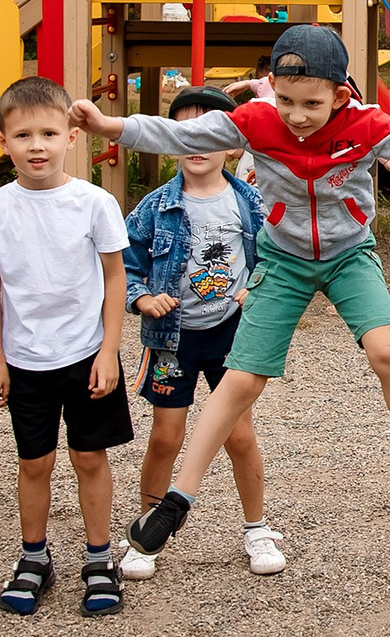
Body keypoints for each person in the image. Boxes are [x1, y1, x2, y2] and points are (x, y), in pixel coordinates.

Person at [76, 25, 390, 563]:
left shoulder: (366, 125)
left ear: (340, 95)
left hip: (348, 254)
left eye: (312, 104)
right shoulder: (257, 120)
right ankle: (178, 499)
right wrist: (111, 124)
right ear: (272, 87)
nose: (297, 115)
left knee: (389, 350)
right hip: (284, 258)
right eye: (288, 101)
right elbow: (184, 136)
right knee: (243, 378)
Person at [0, 77, 131, 619]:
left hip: (87, 354)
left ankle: (99, 557)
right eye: (22, 135)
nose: (36, 145)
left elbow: (115, 278)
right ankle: (33, 557)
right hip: (25, 358)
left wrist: (109, 350)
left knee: (89, 456)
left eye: (48, 133)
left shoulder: (94, 202)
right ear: (3, 139)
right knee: (34, 462)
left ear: (70, 136)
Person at [119, 87, 282, 579]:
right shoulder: (154, 207)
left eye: (211, 131)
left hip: (231, 333)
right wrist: (143, 297)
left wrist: (257, 287)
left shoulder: (250, 201)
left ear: (234, 143)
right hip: (172, 336)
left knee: (238, 433)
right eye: (186, 131)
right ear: (169, 141)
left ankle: (256, 527)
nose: (198, 142)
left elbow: (279, 255)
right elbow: (124, 264)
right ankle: (147, 531)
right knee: (166, 435)